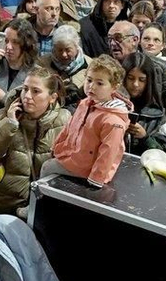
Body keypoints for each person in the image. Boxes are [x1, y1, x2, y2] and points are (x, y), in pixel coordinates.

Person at [0, 67, 68, 219]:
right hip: (1, 205)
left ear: (52, 97)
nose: (27, 95)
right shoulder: (3, 115)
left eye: (36, 91)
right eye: (25, 89)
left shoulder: (64, 121)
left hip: (41, 208)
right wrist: (10, 124)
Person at [50, 55, 130, 189]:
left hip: (88, 168)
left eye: (100, 83)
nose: (91, 86)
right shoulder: (85, 103)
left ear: (114, 87)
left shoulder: (113, 121)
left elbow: (109, 151)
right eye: (89, 80)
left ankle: (34, 209)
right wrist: (56, 147)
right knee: (48, 162)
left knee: (47, 168)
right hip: (74, 157)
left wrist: (96, 179)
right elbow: (68, 128)